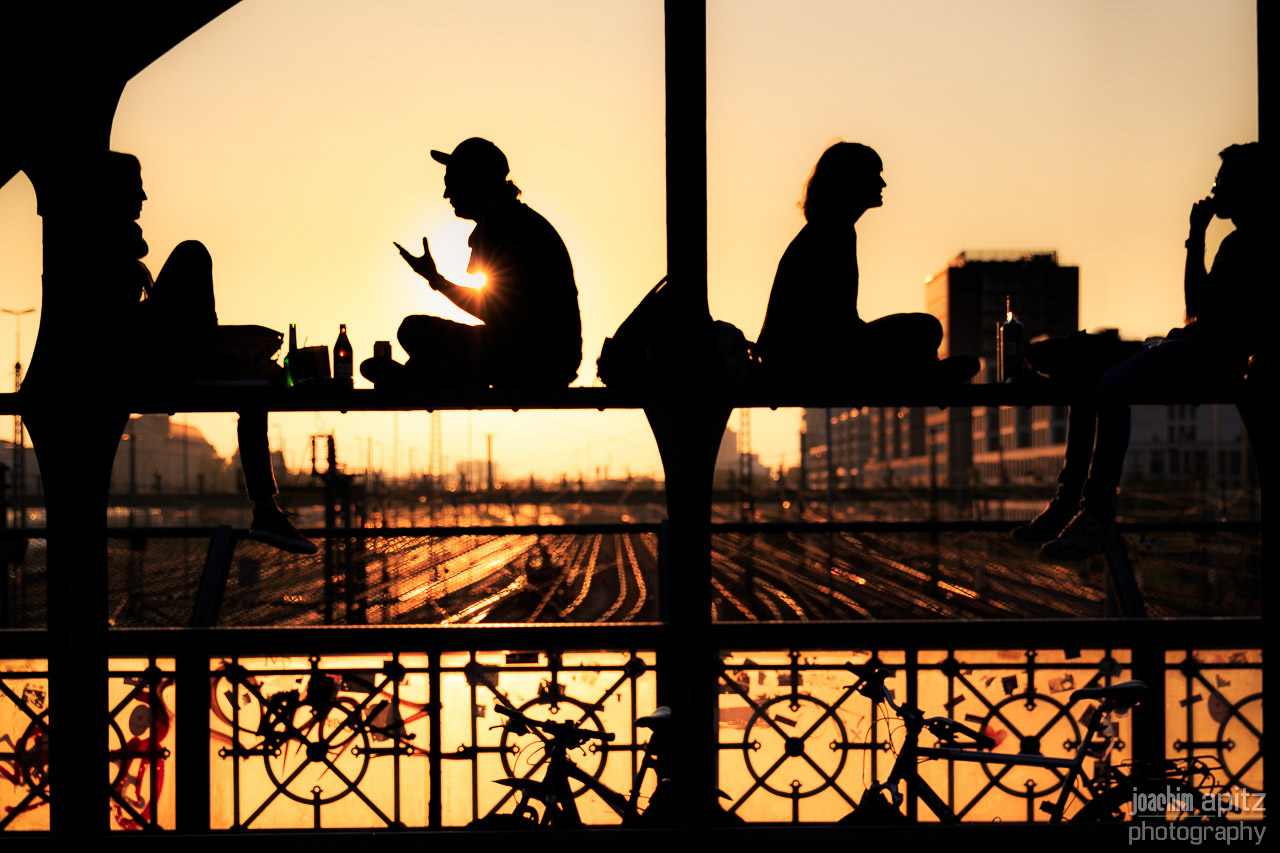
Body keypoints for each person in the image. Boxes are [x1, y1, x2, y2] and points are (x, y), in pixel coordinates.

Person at [1021, 143, 1264, 559]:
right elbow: (1196, 313)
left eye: (1222, 181)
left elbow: (1197, 312)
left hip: (1210, 356)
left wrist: (1196, 237)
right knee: (1086, 373)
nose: (1214, 188)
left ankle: (1094, 513)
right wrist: (1199, 238)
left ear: (1245, 187)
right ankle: (1068, 503)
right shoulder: (1236, 242)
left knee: (1112, 383)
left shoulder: (1250, 244)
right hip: (1194, 346)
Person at [104, 151, 316, 555]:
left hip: (157, 364)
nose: (145, 197)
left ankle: (266, 508)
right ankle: (266, 509)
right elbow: (111, 328)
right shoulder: (101, 255)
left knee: (255, 384)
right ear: (112, 194)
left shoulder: (110, 253)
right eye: (136, 188)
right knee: (192, 253)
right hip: (154, 369)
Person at [367, 137, 582, 389]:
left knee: (413, 330)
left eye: (451, 183)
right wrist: (435, 279)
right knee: (416, 336)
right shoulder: (511, 221)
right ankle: (434, 376)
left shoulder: (505, 228)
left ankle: (434, 378)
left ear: (475, 182)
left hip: (535, 359)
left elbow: (491, 310)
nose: (446, 194)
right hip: (548, 357)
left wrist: (437, 282)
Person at [756, 141, 977, 384]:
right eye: (875, 175)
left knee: (922, 330)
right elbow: (838, 327)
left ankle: (918, 371)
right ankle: (918, 373)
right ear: (852, 180)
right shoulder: (833, 232)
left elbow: (839, 323)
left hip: (795, 358)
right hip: (804, 361)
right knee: (925, 329)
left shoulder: (828, 230)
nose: (882, 184)